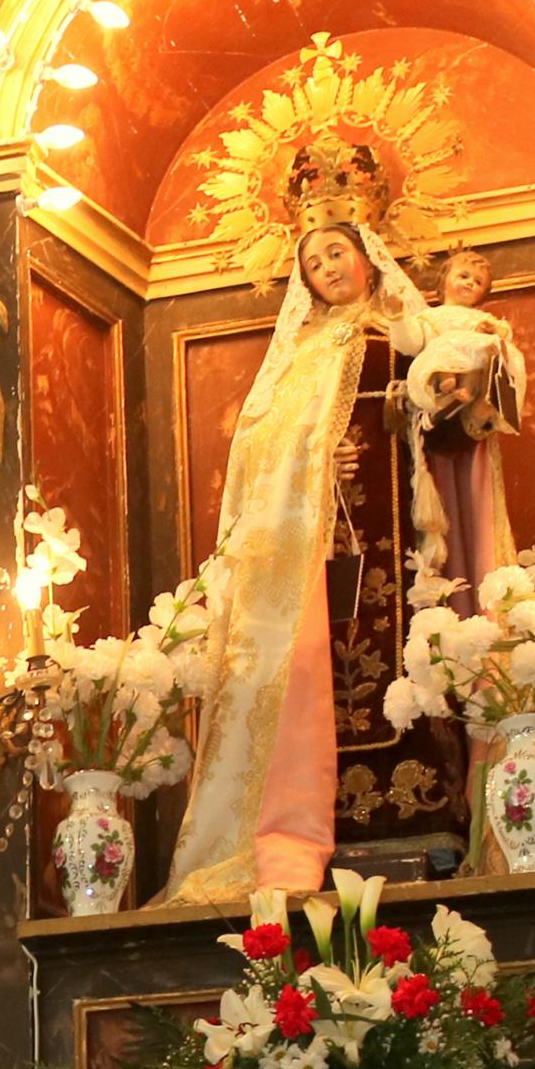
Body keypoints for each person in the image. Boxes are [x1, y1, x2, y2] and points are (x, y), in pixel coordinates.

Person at [164, 218, 434, 905]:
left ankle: (423, 813)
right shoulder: (296, 353)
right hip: (315, 543)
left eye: (335, 252)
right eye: (313, 263)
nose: (327, 267)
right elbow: (263, 452)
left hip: (392, 523)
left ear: (368, 257)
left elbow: (440, 403)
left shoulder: (406, 329)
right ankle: (289, 817)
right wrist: (319, 467)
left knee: (401, 668)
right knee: (314, 664)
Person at [400, 247, 526, 616]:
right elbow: (409, 341)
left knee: (490, 354)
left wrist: (493, 334)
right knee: (442, 364)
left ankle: (471, 395)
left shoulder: (483, 319)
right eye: (463, 276)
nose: (470, 284)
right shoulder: (430, 319)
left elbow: (502, 341)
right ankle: (449, 389)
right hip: (438, 406)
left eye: (478, 282)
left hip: (473, 416)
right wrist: (396, 315)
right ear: (443, 283)